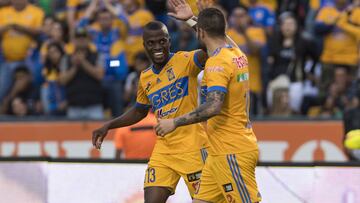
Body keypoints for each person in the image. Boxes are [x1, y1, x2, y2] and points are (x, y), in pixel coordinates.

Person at [92, 20, 209, 202]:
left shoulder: (185, 60)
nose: (157, 47)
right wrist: (109, 125)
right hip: (164, 150)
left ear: (169, 41)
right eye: (151, 43)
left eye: (162, 41)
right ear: (144, 45)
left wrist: (191, 21)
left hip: (193, 147)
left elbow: (212, 48)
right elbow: (139, 111)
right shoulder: (145, 77)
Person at [156, 1, 261, 202]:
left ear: (201, 33)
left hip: (231, 151)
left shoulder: (216, 64)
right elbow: (220, 37)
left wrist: (174, 122)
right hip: (219, 152)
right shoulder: (237, 53)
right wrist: (192, 20)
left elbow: (213, 106)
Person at [0, 0, 44, 102]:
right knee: (2, 88)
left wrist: (18, 27)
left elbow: (40, 32)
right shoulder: (3, 12)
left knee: (35, 85)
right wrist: (6, 28)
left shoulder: (36, 12)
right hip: (8, 60)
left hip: (30, 60)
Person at [59, 28, 104, 120]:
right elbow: (62, 80)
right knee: (73, 134)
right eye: (78, 38)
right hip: (74, 105)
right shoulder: (66, 58)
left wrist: (83, 62)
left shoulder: (97, 55)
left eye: (83, 37)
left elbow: (100, 75)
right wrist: (75, 67)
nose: (81, 40)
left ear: (88, 40)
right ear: (73, 40)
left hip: (94, 104)